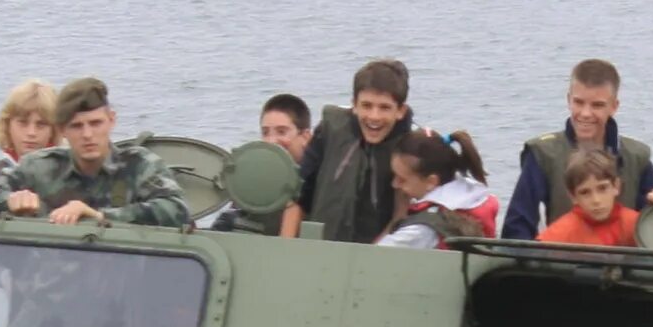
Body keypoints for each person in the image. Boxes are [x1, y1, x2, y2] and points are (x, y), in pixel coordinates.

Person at [502, 58, 653, 240]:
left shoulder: (637, 156)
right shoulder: (543, 153)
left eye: (597, 105)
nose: (585, 113)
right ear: (568, 100)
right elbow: (517, 228)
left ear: (614, 106)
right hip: (562, 260)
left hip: (625, 263)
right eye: (579, 102)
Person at [2, 78, 190, 229]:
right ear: (62, 130)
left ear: (111, 120)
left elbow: (177, 210)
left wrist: (99, 217)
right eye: (76, 126)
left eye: (95, 123)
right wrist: (12, 201)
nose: (87, 135)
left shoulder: (139, 166)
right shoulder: (39, 168)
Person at [286, 59, 424, 245]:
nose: (374, 117)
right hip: (320, 248)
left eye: (384, 107)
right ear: (354, 105)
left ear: (400, 110)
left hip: (379, 253)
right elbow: (299, 196)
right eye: (366, 105)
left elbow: (402, 216)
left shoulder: (413, 146)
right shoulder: (330, 129)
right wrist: (286, 248)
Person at [209, 93, 313, 235]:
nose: (271, 141)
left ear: (305, 137)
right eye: (265, 132)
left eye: (282, 132)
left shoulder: (320, 184)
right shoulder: (252, 185)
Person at [373, 131, 498, 249]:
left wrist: (398, 216)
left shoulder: (420, 230)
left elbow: (370, 261)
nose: (394, 184)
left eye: (402, 179)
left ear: (431, 182)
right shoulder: (477, 197)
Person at [0, 79, 58, 191]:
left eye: (41, 124)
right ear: (7, 125)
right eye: (23, 123)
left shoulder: (70, 178)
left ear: (53, 130)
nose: (31, 133)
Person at [538, 151, 643, 247]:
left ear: (616, 186)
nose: (596, 200)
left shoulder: (638, 225)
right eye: (585, 192)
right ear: (573, 196)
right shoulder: (557, 236)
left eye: (602, 188)